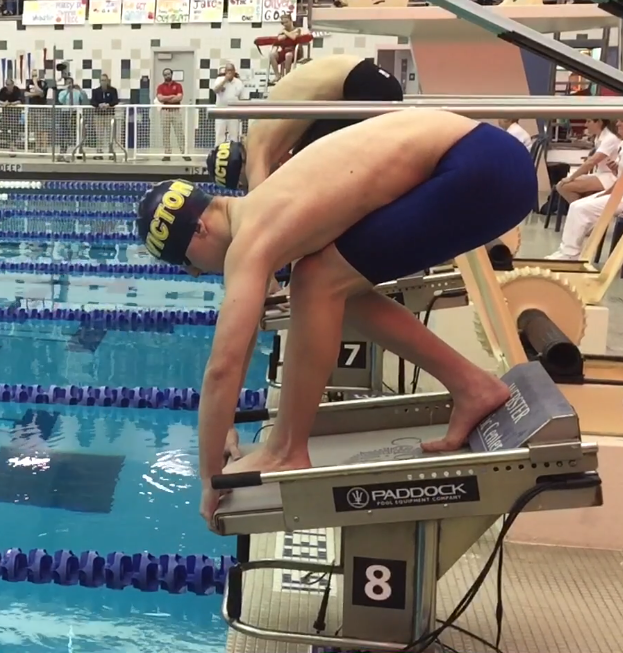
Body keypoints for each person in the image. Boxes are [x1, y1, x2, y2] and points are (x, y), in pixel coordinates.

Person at [134, 109, 537, 526]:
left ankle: (289, 451)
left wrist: (209, 479)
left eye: (189, 263)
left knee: (317, 280)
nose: (200, 272)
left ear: (199, 231)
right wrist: (221, 433)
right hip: (489, 158)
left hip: (481, 173)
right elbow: (243, 338)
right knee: (328, 277)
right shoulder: (264, 206)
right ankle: (473, 386)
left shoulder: (251, 240)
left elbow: (223, 368)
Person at [221, 55, 404, 191]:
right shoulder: (265, 132)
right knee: (306, 158)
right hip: (370, 81)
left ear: (242, 169)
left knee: (308, 166)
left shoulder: (256, 149)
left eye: (242, 184)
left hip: (368, 87)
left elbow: (258, 206)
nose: (245, 186)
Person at [545, 118, 623, 260]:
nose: (618, 123)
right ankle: (567, 251)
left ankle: (569, 254)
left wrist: (605, 194)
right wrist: (615, 171)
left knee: (580, 209)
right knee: (576, 205)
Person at [555, 118, 623, 203]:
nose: (585, 125)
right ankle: (581, 209)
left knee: (564, 186)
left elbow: (592, 162)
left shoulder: (610, 138)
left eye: (589, 121)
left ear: (599, 122)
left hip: (611, 176)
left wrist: (571, 178)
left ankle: (581, 210)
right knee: (562, 185)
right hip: (601, 174)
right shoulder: (599, 137)